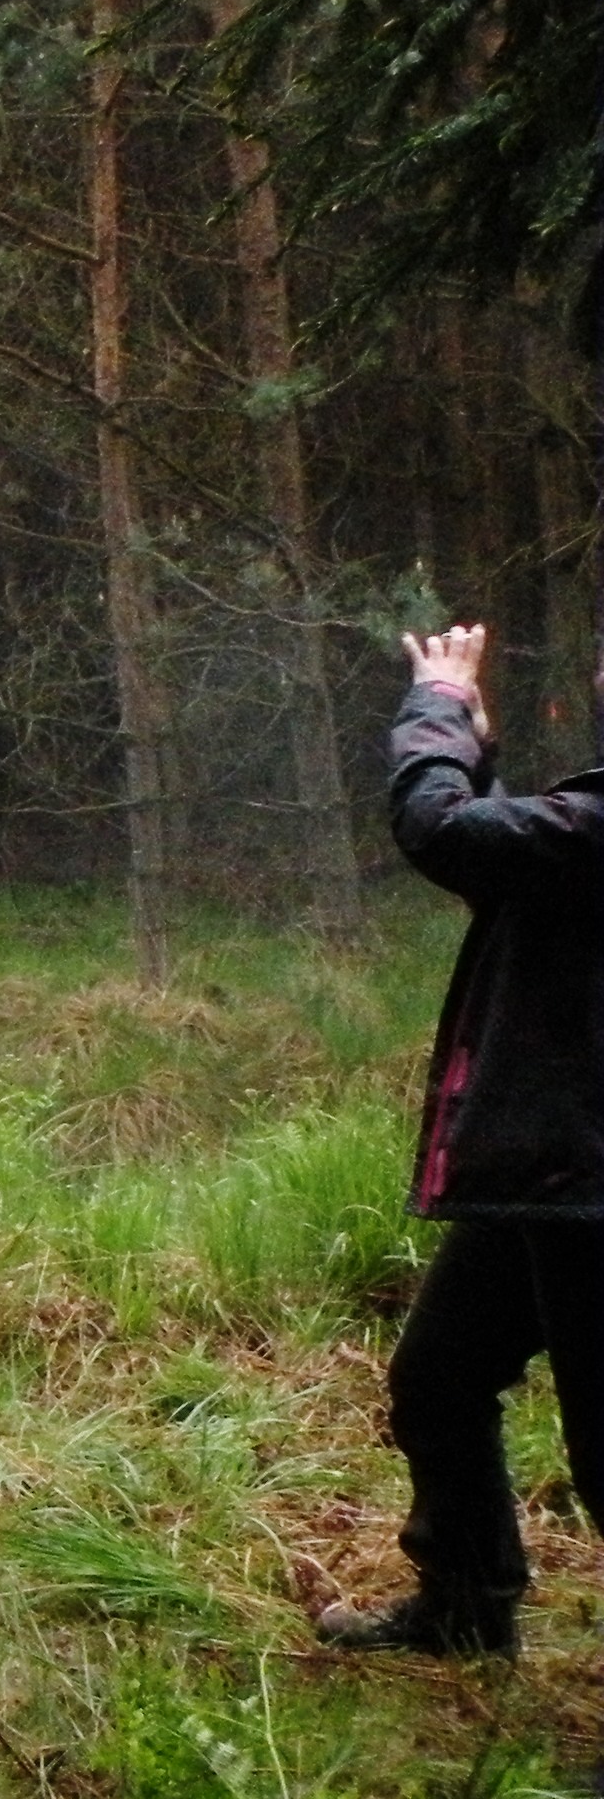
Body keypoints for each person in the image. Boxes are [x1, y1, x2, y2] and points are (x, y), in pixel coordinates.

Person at [318, 620, 604, 1658]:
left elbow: (445, 833)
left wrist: (436, 708)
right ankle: (465, 1611)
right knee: (440, 1376)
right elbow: (518, 863)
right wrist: (473, 750)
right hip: (551, 1168)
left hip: (587, 1182)